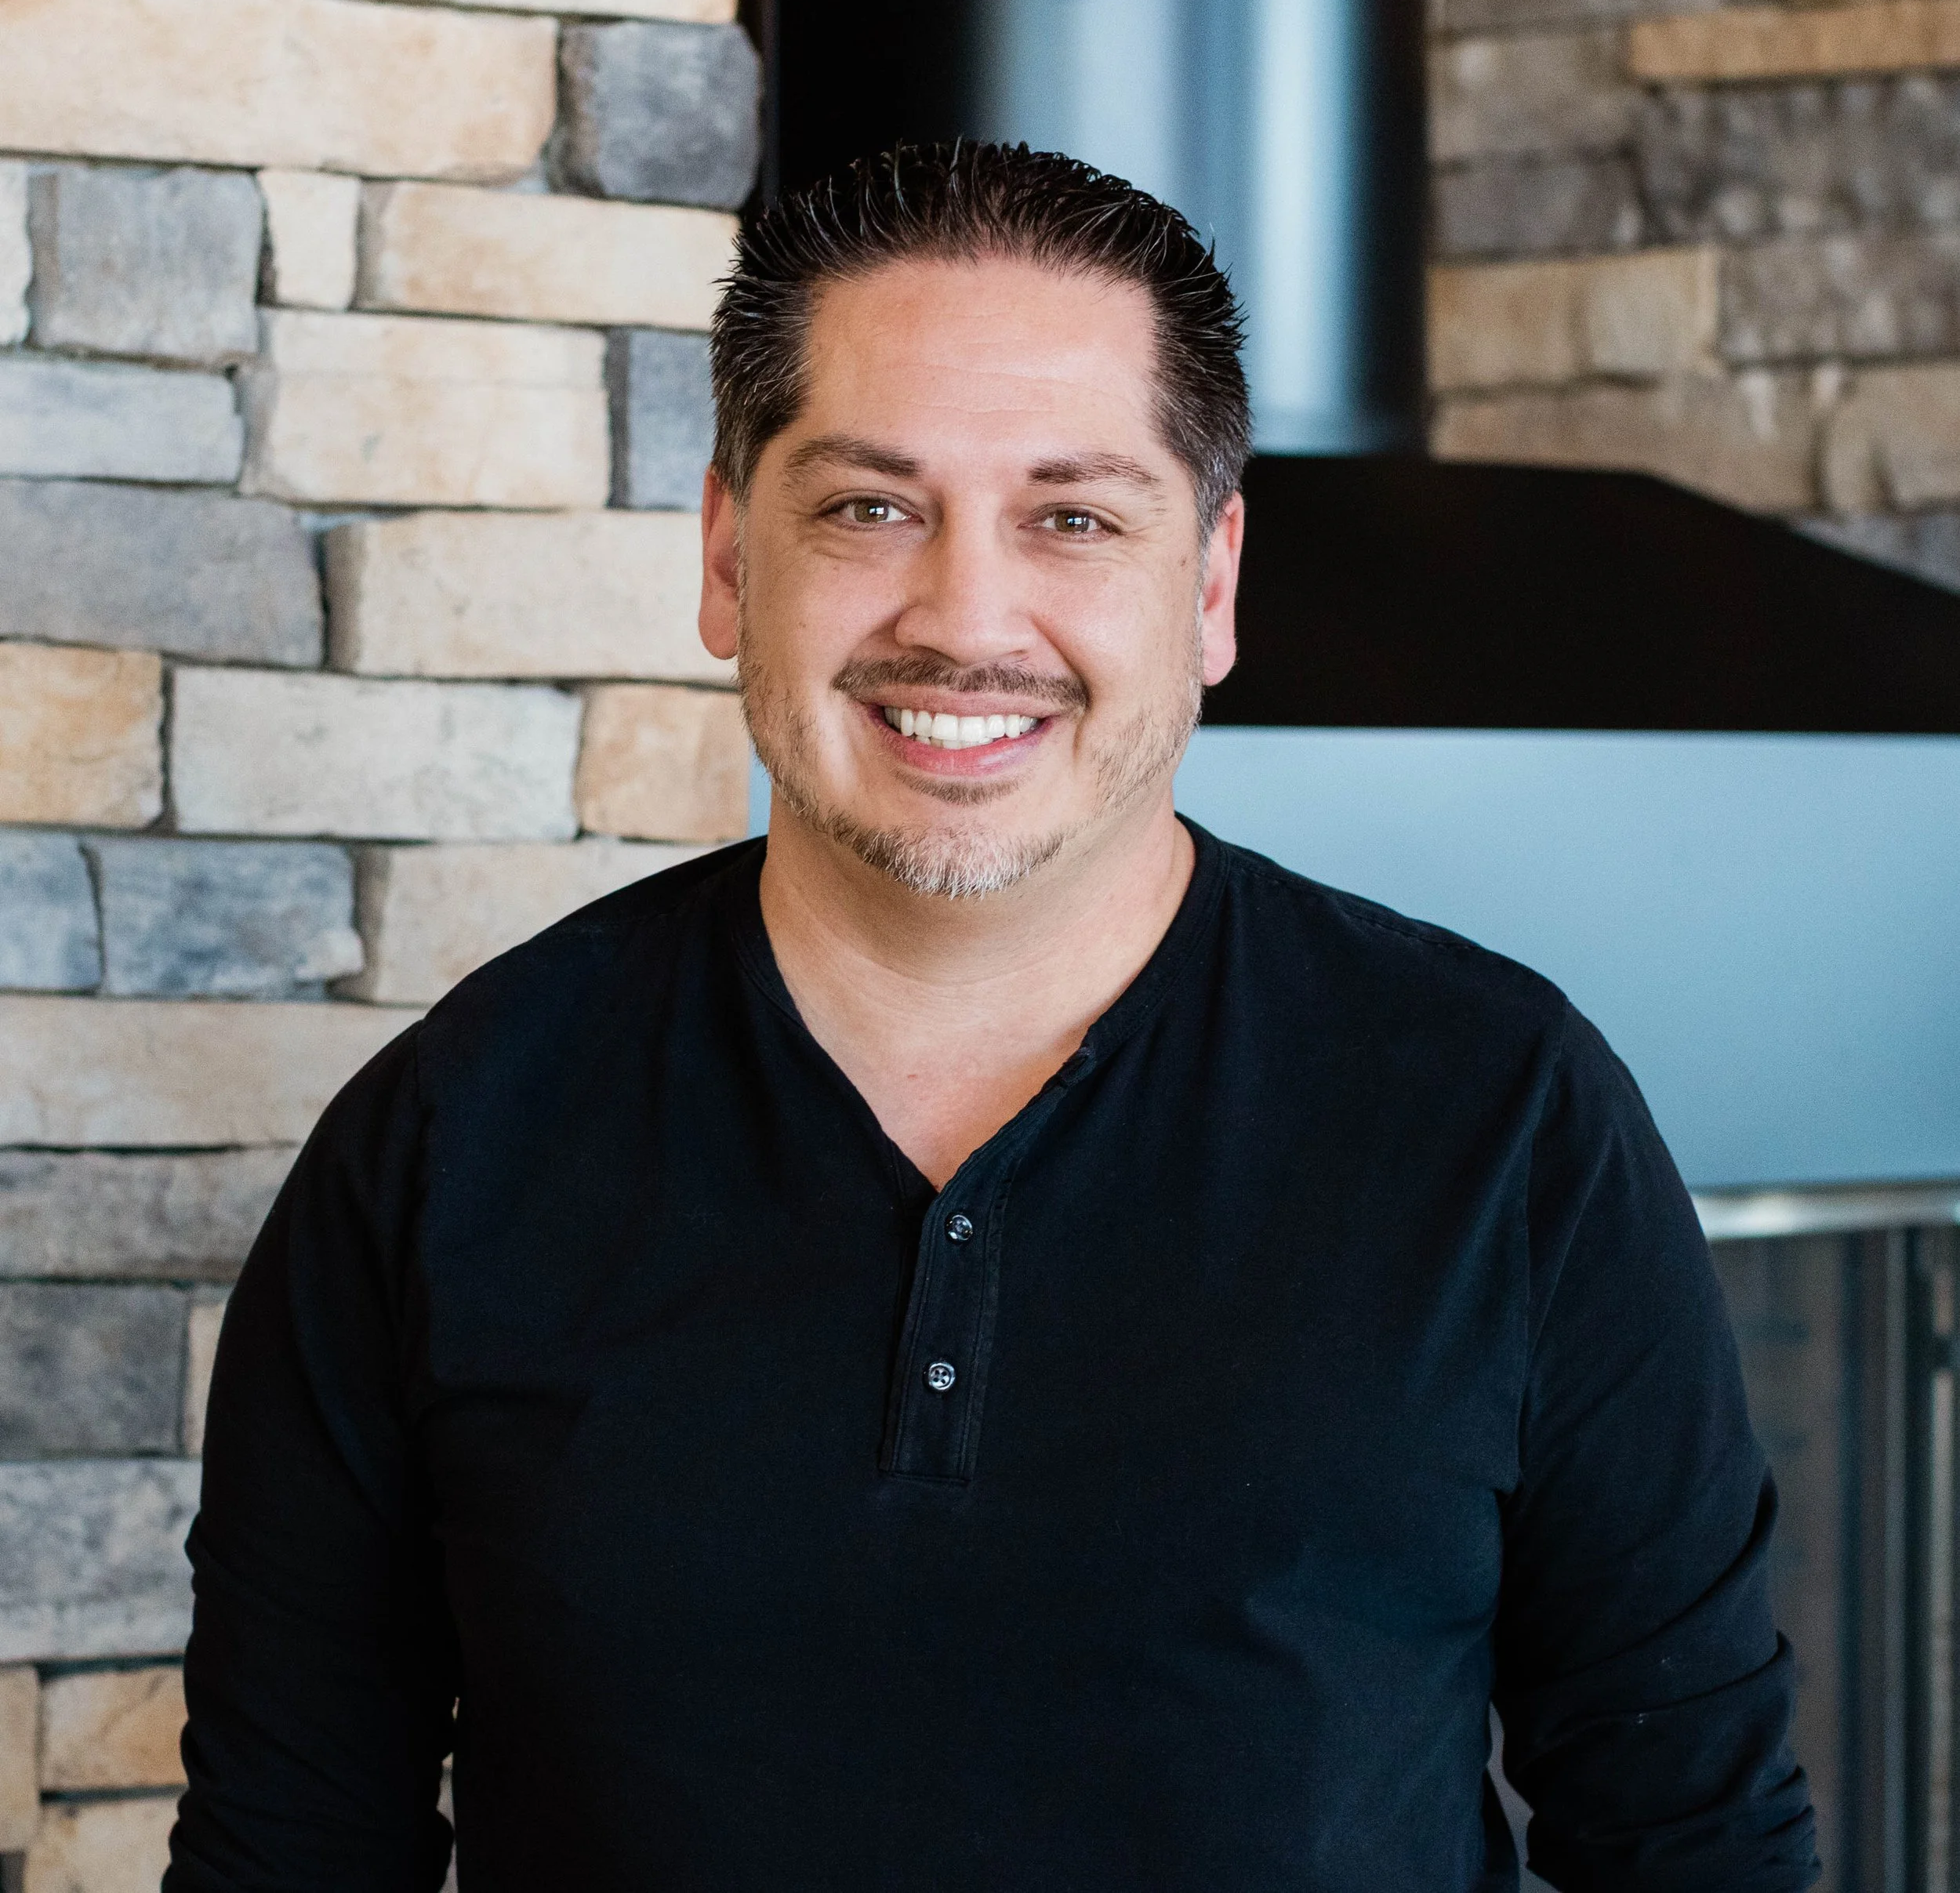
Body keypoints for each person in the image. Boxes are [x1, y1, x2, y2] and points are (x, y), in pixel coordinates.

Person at [167, 141, 1817, 1892]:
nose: (963, 617)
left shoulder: (1503, 1116)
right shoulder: (444, 1136)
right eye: (868, 505)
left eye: (1073, 516)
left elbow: (1694, 1836)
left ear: (1207, 585)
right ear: (730, 556)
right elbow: (287, 1851)